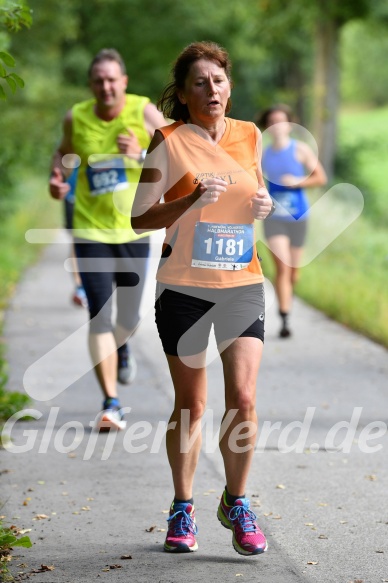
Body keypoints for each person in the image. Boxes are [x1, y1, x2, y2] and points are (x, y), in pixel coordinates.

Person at [132, 41, 274, 556]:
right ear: (185, 93)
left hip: (241, 282)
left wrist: (264, 203)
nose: (211, 90)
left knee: (243, 399)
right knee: (192, 404)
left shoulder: (250, 135)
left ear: (228, 86)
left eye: (218, 80)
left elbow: (254, 196)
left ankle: (236, 501)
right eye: (200, 82)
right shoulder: (166, 141)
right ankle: (183, 506)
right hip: (185, 288)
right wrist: (188, 198)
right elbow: (139, 216)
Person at [49, 48, 166, 430]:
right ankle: (111, 402)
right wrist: (57, 178)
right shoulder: (77, 117)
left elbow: (179, 150)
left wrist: (141, 153)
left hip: (133, 228)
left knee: (128, 317)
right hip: (90, 231)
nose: (106, 86)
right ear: (90, 84)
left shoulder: (143, 111)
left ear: (124, 82)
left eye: (112, 79)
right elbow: (63, 153)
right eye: (99, 80)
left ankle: (124, 346)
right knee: (99, 313)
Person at [256, 105, 327, 338]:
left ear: (289, 124)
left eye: (282, 121)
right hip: (274, 218)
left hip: (299, 217)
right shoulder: (263, 155)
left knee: (294, 272)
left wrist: (297, 181)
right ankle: (285, 319)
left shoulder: (301, 150)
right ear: (267, 126)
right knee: (283, 268)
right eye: (273, 121)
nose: (278, 126)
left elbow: (320, 177)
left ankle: (287, 302)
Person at [62, 166, 88, 308]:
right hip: (74, 198)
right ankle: (80, 288)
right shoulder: (71, 143)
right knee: (77, 242)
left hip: (99, 201)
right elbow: (59, 162)